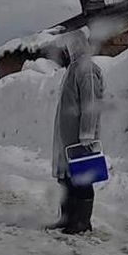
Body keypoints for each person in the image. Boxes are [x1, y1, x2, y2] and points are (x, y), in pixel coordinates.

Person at [46, 29, 104, 235]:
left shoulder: (86, 70)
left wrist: (87, 133)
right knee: (67, 179)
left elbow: (91, 103)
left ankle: (82, 221)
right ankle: (67, 217)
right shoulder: (73, 68)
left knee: (82, 178)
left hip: (80, 138)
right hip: (67, 138)